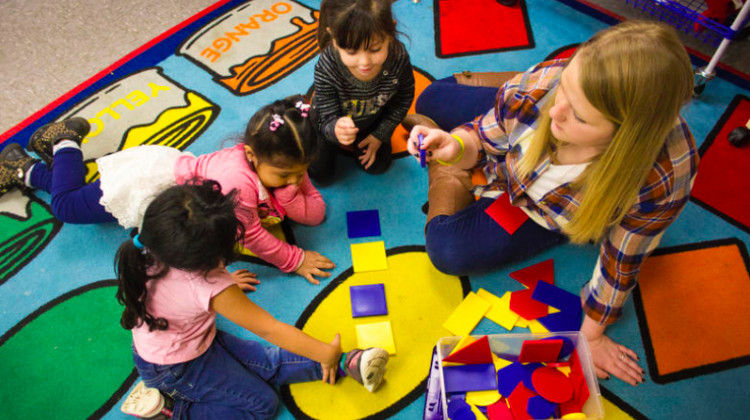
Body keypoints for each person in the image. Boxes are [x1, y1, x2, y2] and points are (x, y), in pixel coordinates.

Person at [406, 20, 698, 386]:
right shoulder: (547, 88)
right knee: (431, 98)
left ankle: (450, 168)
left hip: (546, 211)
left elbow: (621, 261)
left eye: (579, 115)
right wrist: (457, 148)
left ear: (624, 135)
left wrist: (591, 334)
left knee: (448, 250)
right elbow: (486, 136)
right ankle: (510, 96)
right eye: (566, 91)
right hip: (516, 151)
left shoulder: (664, 175)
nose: (555, 112)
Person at [115, 181, 389, 419]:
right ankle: (170, 412)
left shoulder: (155, 241)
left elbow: (180, 289)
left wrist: (221, 284)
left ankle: (343, 364)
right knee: (262, 404)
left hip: (190, 342)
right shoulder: (212, 287)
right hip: (174, 370)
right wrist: (325, 351)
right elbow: (270, 329)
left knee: (266, 363)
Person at [0, 95, 334, 284]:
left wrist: (291, 189)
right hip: (144, 187)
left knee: (72, 199)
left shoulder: (284, 162)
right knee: (66, 207)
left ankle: (26, 170)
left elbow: (314, 214)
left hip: (172, 183)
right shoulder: (238, 185)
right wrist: (295, 259)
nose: (295, 180)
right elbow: (254, 237)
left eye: (301, 173)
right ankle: (64, 141)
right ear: (251, 155)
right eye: (285, 175)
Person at [308, 0, 415, 182]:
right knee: (320, 176)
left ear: (390, 32)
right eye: (351, 51)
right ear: (333, 37)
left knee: (378, 166)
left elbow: (404, 98)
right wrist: (334, 129)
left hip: (372, 119)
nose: (364, 62)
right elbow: (326, 117)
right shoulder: (327, 66)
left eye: (375, 49)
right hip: (329, 120)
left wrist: (379, 135)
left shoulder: (398, 56)